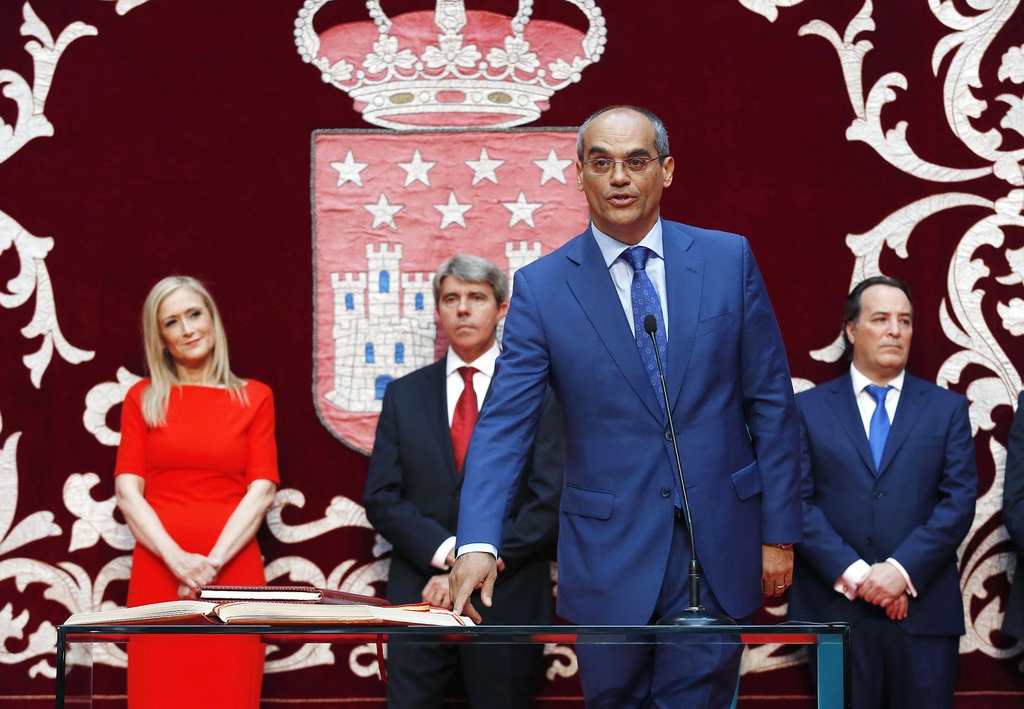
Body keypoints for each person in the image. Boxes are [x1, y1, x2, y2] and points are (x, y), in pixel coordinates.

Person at [449, 105, 802, 707]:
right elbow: (506, 425)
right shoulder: (540, 287)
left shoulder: (728, 260)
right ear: (579, 175)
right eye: (601, 162)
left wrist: (781, 532)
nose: (619, 177)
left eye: (636, 161)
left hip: (713, 548)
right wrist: (478, 541)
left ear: (666, 171)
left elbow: (770, 401)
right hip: (607, 554)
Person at [363, 254, 563, 709]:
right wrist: (451, 558)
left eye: (476, 297)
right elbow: (382, 496)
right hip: (419, 592)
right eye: (451, 298)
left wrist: (481, 561)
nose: (463, 309)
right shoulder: (404, 394)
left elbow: (548, 499)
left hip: (506, 596)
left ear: (502, 307)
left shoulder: (540, 392)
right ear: (438, 310)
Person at [788, 276, 977, 709]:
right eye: (881, 318)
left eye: (905, 321)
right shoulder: (807, 409)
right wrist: (860, 577)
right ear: (851, 330)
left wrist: (899, 571)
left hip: (922, 610)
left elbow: (958, 501)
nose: (895, 330)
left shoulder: (947, 410)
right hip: (837, 612)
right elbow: (797, 501)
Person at [114, 275, 279, 708]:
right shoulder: (142, 398)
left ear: (212, 319)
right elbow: (128, 491)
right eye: (172, 322)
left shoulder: (255, 397)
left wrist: (211, 565)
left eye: (194, 314)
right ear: (160, 337)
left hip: (233, 573)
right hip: (160, 572)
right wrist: (177, 560)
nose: (187, 329)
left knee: (228, 694)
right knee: (159, 694)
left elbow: (261, 490)